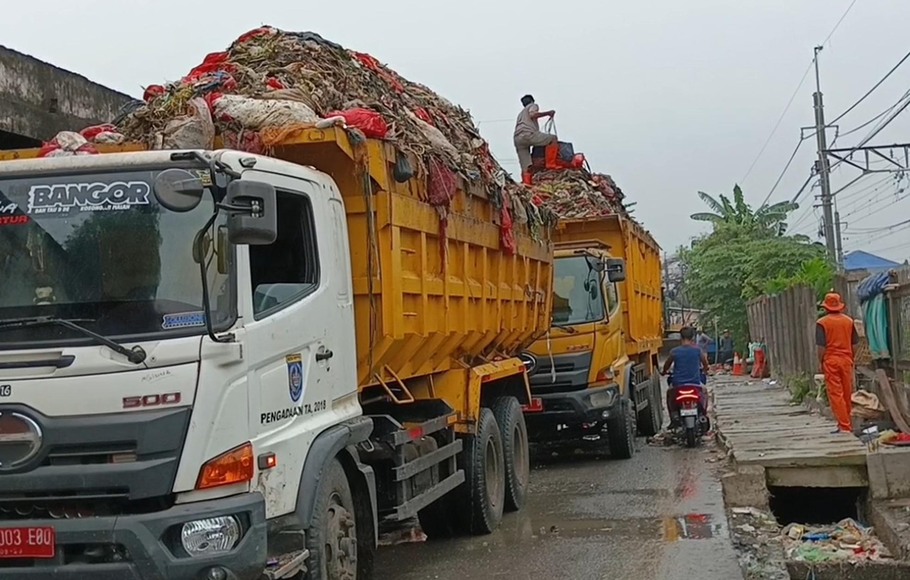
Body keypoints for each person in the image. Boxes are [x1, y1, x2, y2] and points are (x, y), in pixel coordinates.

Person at [816, 292, 859, 434]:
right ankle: (848, 423)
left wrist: (820, 361)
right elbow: (855, 344)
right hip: (846, 360)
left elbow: (821, 347)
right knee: (847, 392)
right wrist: (852, 358)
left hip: (831, 360)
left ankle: (844, 425)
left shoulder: (822, 323)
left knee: (836, 393)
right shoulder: (849, 321)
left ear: (826, 307)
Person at [662, 326, 710, 427]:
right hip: (695, 384)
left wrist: (664, 371)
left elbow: (667, 365)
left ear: (681, 337)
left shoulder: (674, 351)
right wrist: (705, 370)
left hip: (678, 385)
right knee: (705, 392)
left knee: (669, 394)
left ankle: (672, 418)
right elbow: (705, 364)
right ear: (693, 337)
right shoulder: (698, 350)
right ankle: (704, 414)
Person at [513, 94, 556, 174]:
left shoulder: (520, 114)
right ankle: (551, 164)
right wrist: (548, 113)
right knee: (553, 138)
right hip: (528, 134)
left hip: (517, 139)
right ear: (532, 100)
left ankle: (526, 183)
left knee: (526, 167)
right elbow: (532, 114)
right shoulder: (533, 105)